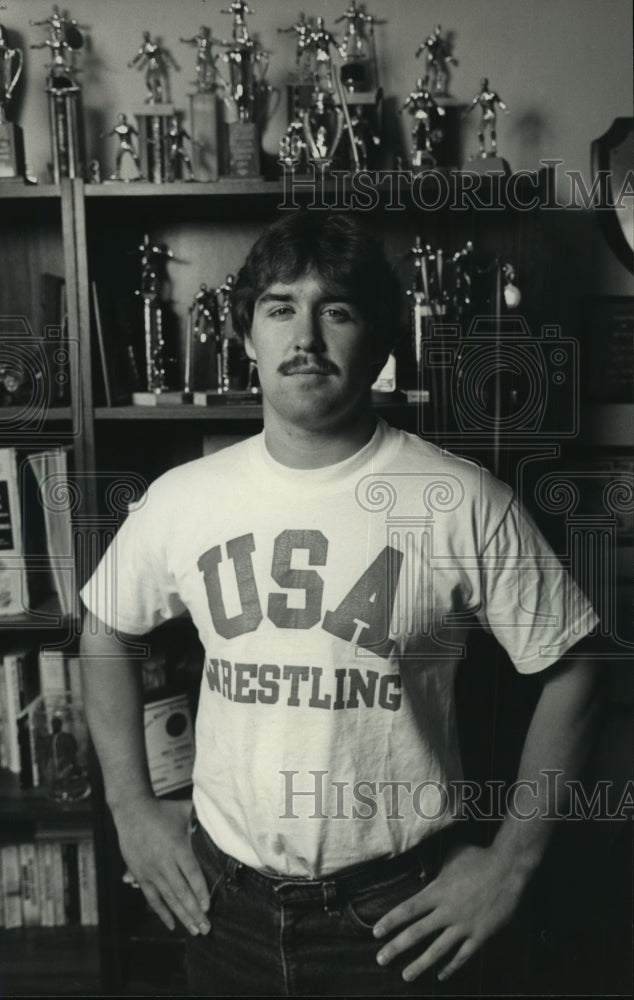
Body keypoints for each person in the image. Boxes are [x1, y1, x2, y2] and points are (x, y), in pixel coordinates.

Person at [80, 212, 600, 996]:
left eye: (339, 310)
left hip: (399, 917)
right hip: (223, 906)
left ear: (382, 343)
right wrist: (131, 808)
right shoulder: (183, 500)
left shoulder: (458, 500)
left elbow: (579, 670)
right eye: (281, 307)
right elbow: (105, 631)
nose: (307, 336)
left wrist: (511, 864)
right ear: (247, 337)